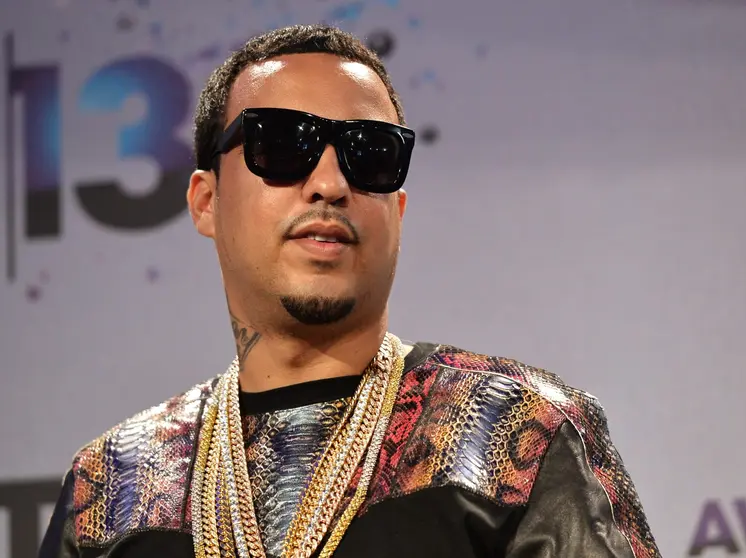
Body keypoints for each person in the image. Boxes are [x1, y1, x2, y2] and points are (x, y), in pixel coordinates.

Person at [39, 24, 661, 558]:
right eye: (283, 145)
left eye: (370, 154)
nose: (330, 183)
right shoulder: (113, 489)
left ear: (399, 208)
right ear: (206, 200)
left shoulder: (516, 433)